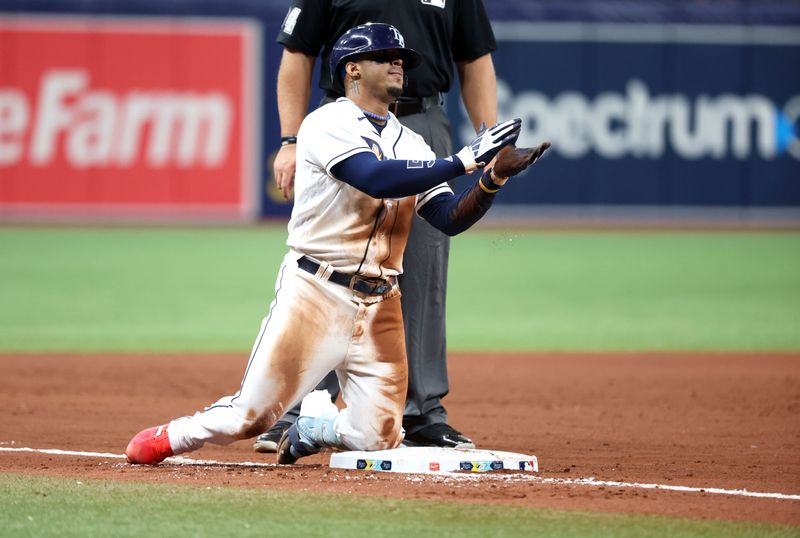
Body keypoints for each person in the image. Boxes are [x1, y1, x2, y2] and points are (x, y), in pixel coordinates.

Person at [125, 22, 549, 466]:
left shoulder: (414, 142)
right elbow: (372, 177)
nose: (398, 63)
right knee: (249, 419)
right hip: (316, 294)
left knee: (379, 436)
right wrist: (461, 160)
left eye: (401, 58)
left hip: (381, 302)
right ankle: (173, 435)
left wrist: (492, 178)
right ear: (352, 70)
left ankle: (315, 429)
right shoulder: (327, 122)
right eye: (385, 56)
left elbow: (447, 219)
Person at [254, 0, 500, 454]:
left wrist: (490, 143)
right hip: (345, 123)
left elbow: (475, 57)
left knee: (422, 275)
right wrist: (290, 139)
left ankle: (421, 412)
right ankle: (299, 410)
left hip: (423, 118)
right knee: (330, 264)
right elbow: (298, 50)